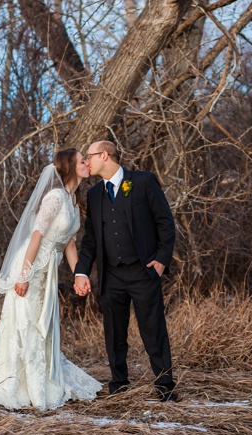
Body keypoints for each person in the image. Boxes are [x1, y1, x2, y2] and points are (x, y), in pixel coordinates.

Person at [0, 149, 102, 410]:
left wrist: (79, 276)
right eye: (82, 160)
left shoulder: (73, 201)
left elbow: (69, 244)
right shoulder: (54, 197)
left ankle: (42, 378)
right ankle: (21, 384)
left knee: (45, 324)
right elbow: (36, 236)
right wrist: (24, 275)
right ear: (70, 166)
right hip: (32, 265)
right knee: (27, 321)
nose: (87, 163)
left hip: (50, 271)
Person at [73, 140, 177, 401]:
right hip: (111, 276)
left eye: (90, 156)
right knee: (114, 333)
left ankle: (165, 386)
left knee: (153, 330)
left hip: (144, 271)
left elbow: (165, 222)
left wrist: (162, 259)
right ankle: (119, 384)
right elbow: (91, 240)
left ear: (104, 155)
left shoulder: (142, 182)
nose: (87, 162)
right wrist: (81, 271)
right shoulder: (94, 194)